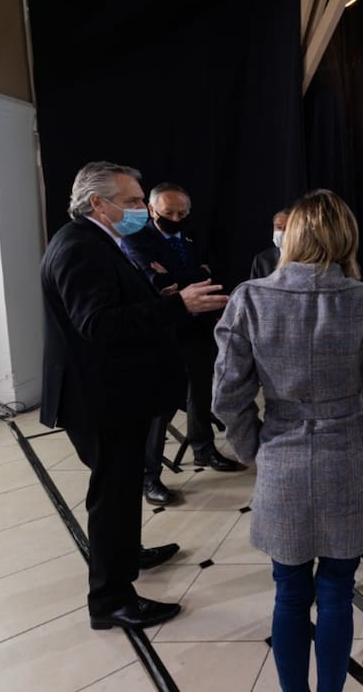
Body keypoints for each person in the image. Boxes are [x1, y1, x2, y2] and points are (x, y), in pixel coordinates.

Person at [212, 189, 363, 692]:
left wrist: (255, 448)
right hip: (349, 460)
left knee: (289, 594)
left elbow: (227, 396)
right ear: (346, 237)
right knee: (339, 591)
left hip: (282, 460)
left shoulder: (250, 298)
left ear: (290, 236)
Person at [40, 161, 228, 630]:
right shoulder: (80, 248)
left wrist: (161, 298)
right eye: (131, 201)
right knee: (114, 495)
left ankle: (128, 556)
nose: (141, 209)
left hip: (114, 393)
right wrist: (175, 304)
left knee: (122, 493)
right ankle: (111, 600)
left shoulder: (103, 241)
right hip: (99, 399)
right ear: (97, 203)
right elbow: (98, 325)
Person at [124, 182, 245, 507]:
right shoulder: (135, 239)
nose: (175, 218)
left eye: (181, 213)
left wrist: (183, 276)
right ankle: (149, 476)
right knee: (158, 407)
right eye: (168, 213)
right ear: (151, 210)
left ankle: (203, 448)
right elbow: (160, 283)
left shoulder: (193, 237)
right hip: (161, 332)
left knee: (201, 393)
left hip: (198, 328)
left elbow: (212, 276)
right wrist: (187, 275)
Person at [250, 209, 289, 279]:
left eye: (287, 228)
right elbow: (254, 289)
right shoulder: (261, 259)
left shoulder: (306, 259)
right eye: (279, 227)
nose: (282, 232)